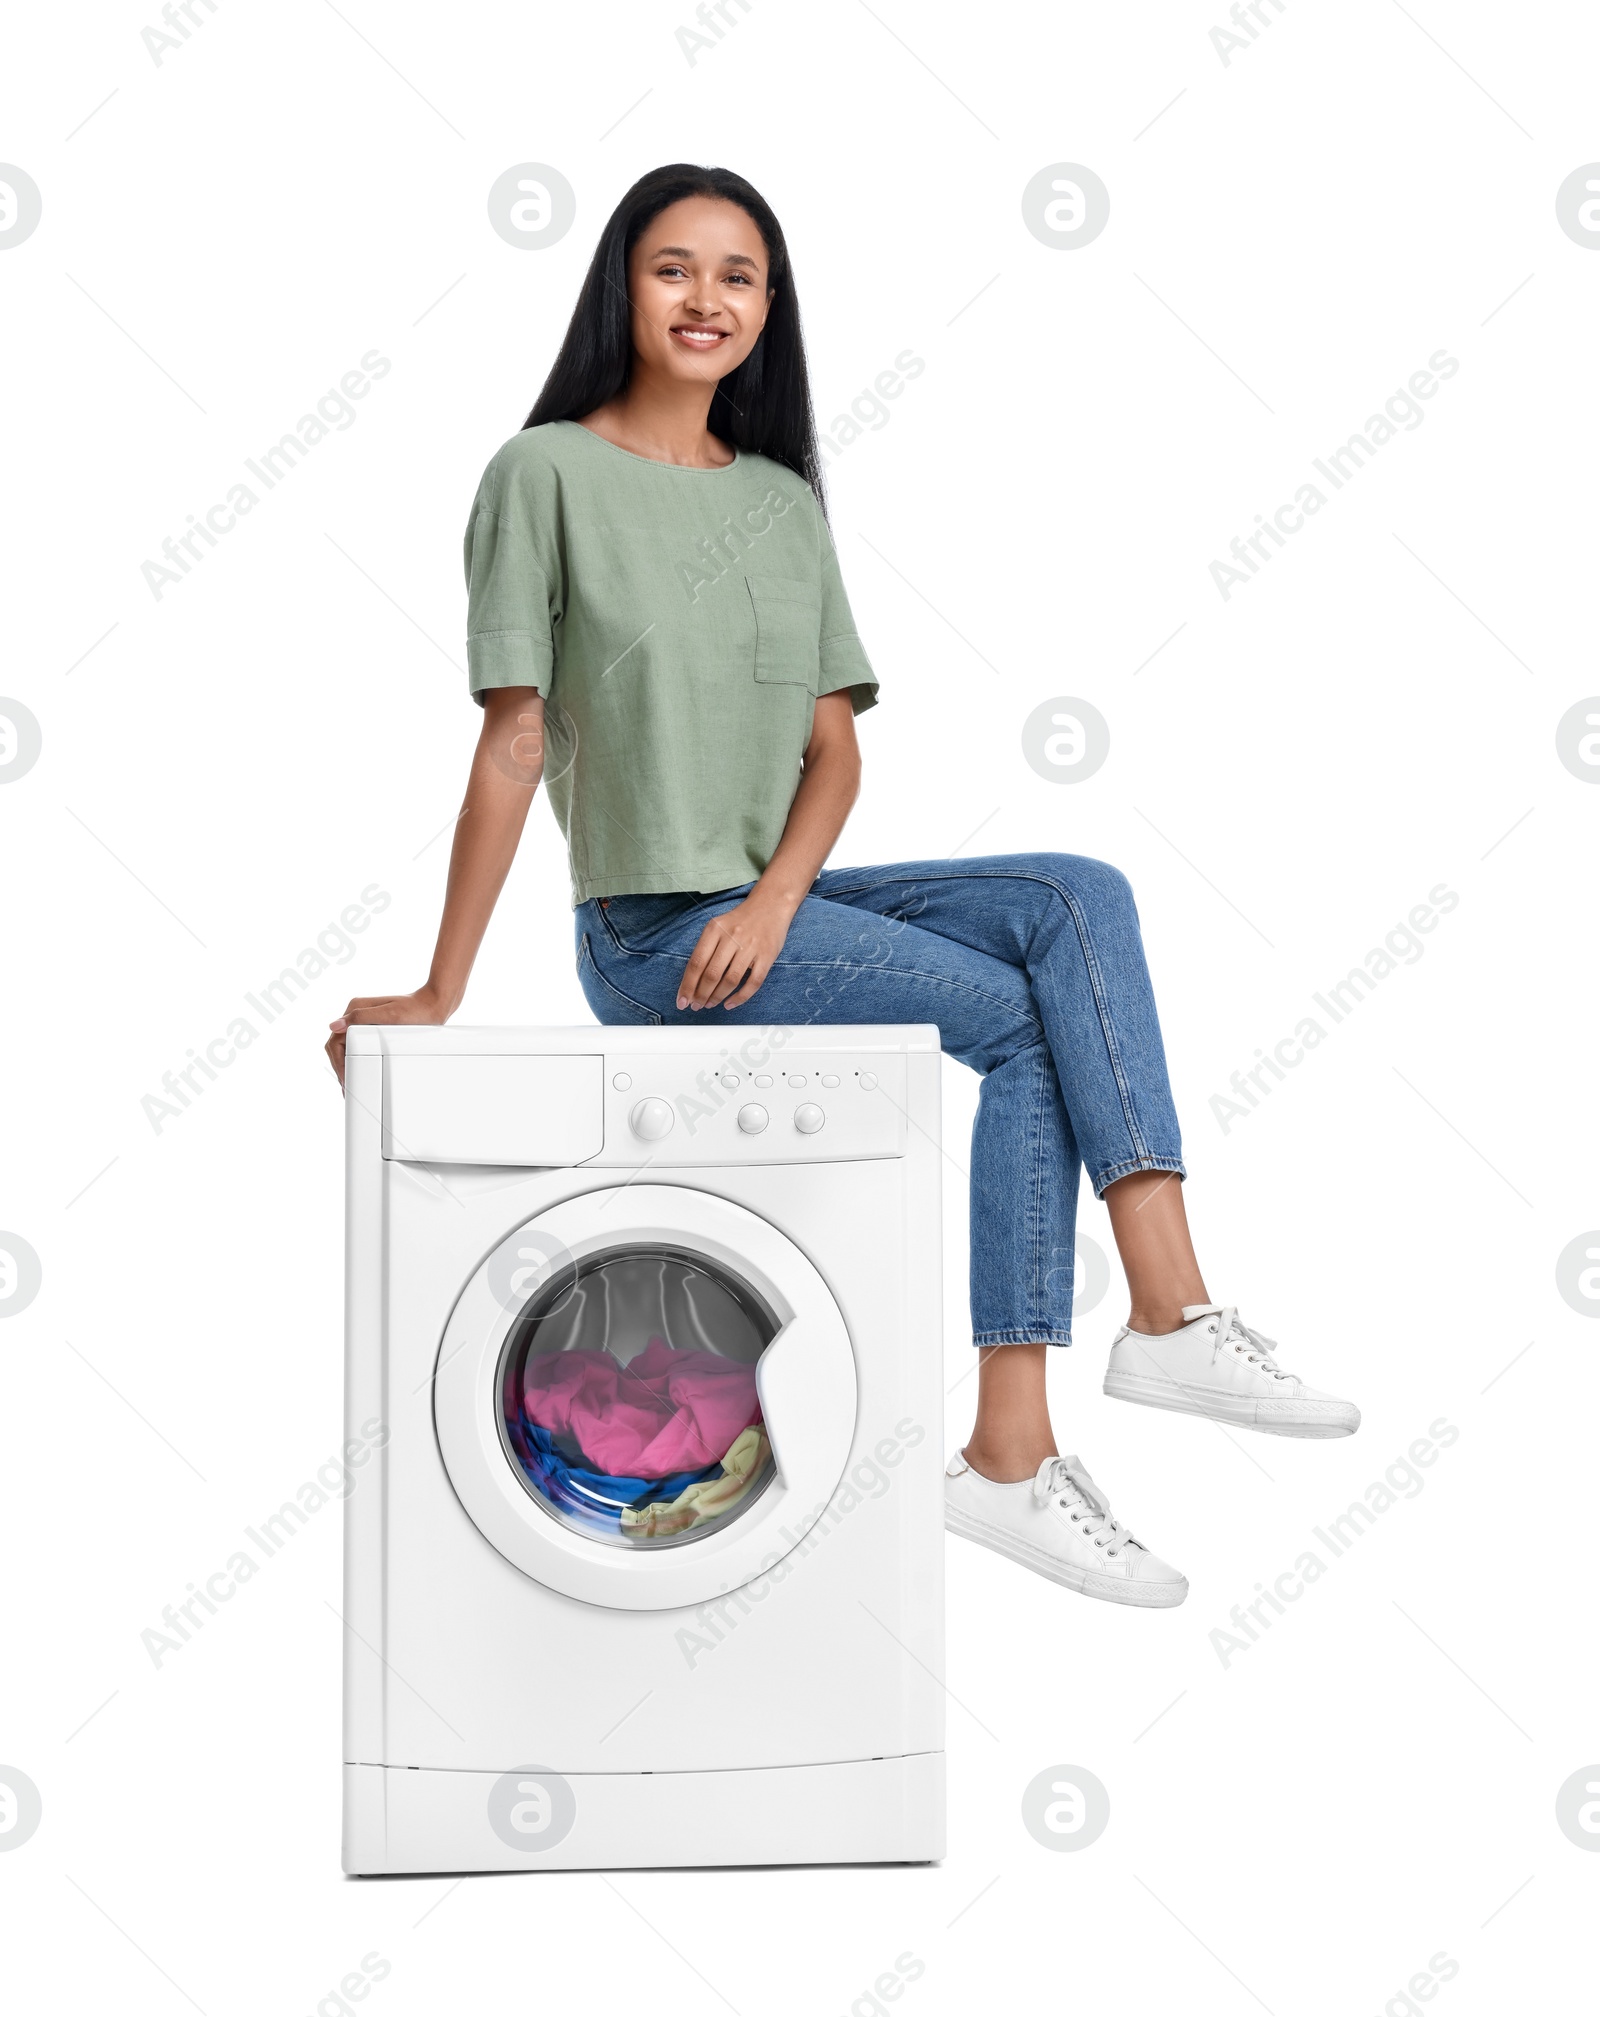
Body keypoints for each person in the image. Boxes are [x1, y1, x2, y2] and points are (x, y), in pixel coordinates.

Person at [326, 163, 1359, 1610]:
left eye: (739, 275)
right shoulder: (539, 475)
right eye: (674, 267)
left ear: (769, 307)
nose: (707, 299)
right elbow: (510, 740)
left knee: (1076, 890)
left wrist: (772, 904)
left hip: (768, 906)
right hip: (649, 937)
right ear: (622, 285)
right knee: (1016, 1016)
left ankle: (1159, 1313)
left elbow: (831, 753)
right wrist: (440, 988)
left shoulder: (780, 504)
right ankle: (1024, 1439)